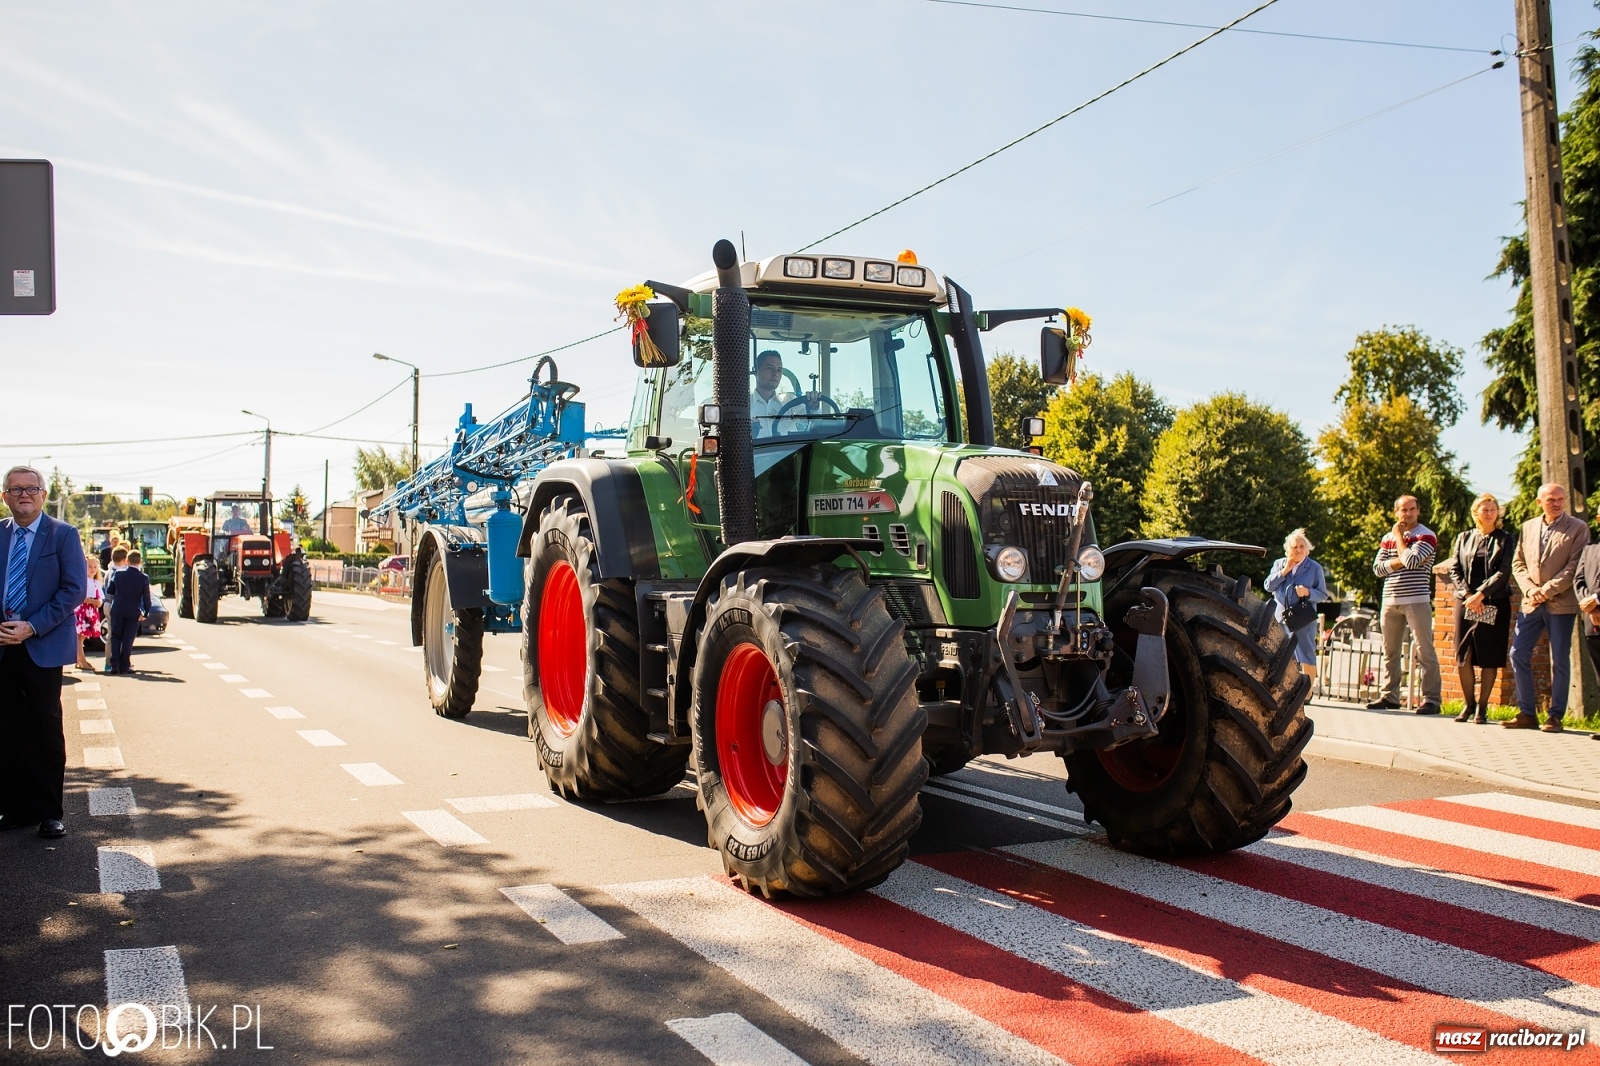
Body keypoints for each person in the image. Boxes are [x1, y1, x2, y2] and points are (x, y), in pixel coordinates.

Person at [0, 465, 88, 839]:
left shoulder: (63, 535)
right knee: (6, 732)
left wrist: (31, 626)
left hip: (42, 644)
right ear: (4, 496)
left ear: (43, 494)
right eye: (15, 489)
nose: (24, 494)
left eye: (31, 488)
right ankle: (16, 809)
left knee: (45, 730)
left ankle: (49, 812)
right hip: (3, 646)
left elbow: (73, 591)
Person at [1508, 482, 1591, 732]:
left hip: (1561, 604)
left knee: (1559, 660)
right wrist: (1531, 589)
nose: (1556, 503)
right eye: (1551, 500)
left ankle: (1555, 716)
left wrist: (1547, 590)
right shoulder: (1529, 526)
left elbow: (1575, 566)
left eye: (1560, 499)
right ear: (1539, 502)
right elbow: (1518, 563)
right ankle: (1527, 713)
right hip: (1531, 603)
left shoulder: (1578, 528)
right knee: (1517, 654)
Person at [1442, 493, 1515, 724]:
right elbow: (1454, 569)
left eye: (1493, 509)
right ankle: (1468, 704)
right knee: (1464, 654)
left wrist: (1481, 594)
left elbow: (1504, 571)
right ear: (1476, 513)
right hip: (1465, 602)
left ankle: (1482, 709)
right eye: (1485, 509)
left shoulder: (1505, 539)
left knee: (1490, 656)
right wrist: (1468, 595)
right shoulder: (1463, 537)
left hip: (1494, 602)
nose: (1490, 513)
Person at [1367, 495, 1442, 714]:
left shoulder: (1426, 535)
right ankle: (1389, 696)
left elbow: (1412, 562)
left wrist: (1399, 539)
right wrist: (1401, 558)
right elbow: (1378, 569)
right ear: (1395, 512)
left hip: (1416, 599)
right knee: (1390, 651)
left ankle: (1431, 700)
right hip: (1390, 599)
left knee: (1423, 649)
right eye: (1403, 510)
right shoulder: (1387, 537)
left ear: (1418, 511)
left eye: (1411, 509)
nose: (1407, 514)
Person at [1263, 528, 1327, 683]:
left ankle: (1308, 691)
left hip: (1303, 618)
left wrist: (1307, 592)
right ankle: (1282, 687)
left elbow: (1323, 595)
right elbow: (1268, 586)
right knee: (1280, 653)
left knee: (1306, 653)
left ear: (1307, 549)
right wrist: (1284, 572)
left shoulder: (1314, 568)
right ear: (1288, 549)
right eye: (1294, 547)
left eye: (1302, 546)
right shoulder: (1279, 564)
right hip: (1280, 617)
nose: (1298, 550)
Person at [104, 549, 151, 675]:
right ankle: (125, 665)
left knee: (115, 637)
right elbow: (147, 598)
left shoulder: (118, 574)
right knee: (127, 639)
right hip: (133, 612)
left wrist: (108, 604)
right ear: (140, 561)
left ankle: (115, 665)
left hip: (117, 609)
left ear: (127, 561)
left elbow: (110, 591)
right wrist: (146, 613)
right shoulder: (143, 578)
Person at [750, 350, 795, 439]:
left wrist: (813, 406)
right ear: (756, 371)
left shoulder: (791, 402)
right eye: (770, 368)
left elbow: (813, 422)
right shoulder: (743, 405)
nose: (775, 373)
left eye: (779, 370)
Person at [75, 557, 105, 671]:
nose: (92, 569)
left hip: (91, 611)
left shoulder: (96, 582)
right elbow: (81, 597)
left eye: (95, 567)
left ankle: (80, 659)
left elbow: (100, 598)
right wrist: (93, 601)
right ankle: (81, 660)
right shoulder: (83, 581)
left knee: (83, 637)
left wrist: (98, 603)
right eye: (90, 567)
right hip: (83, 610)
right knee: (79, 636)